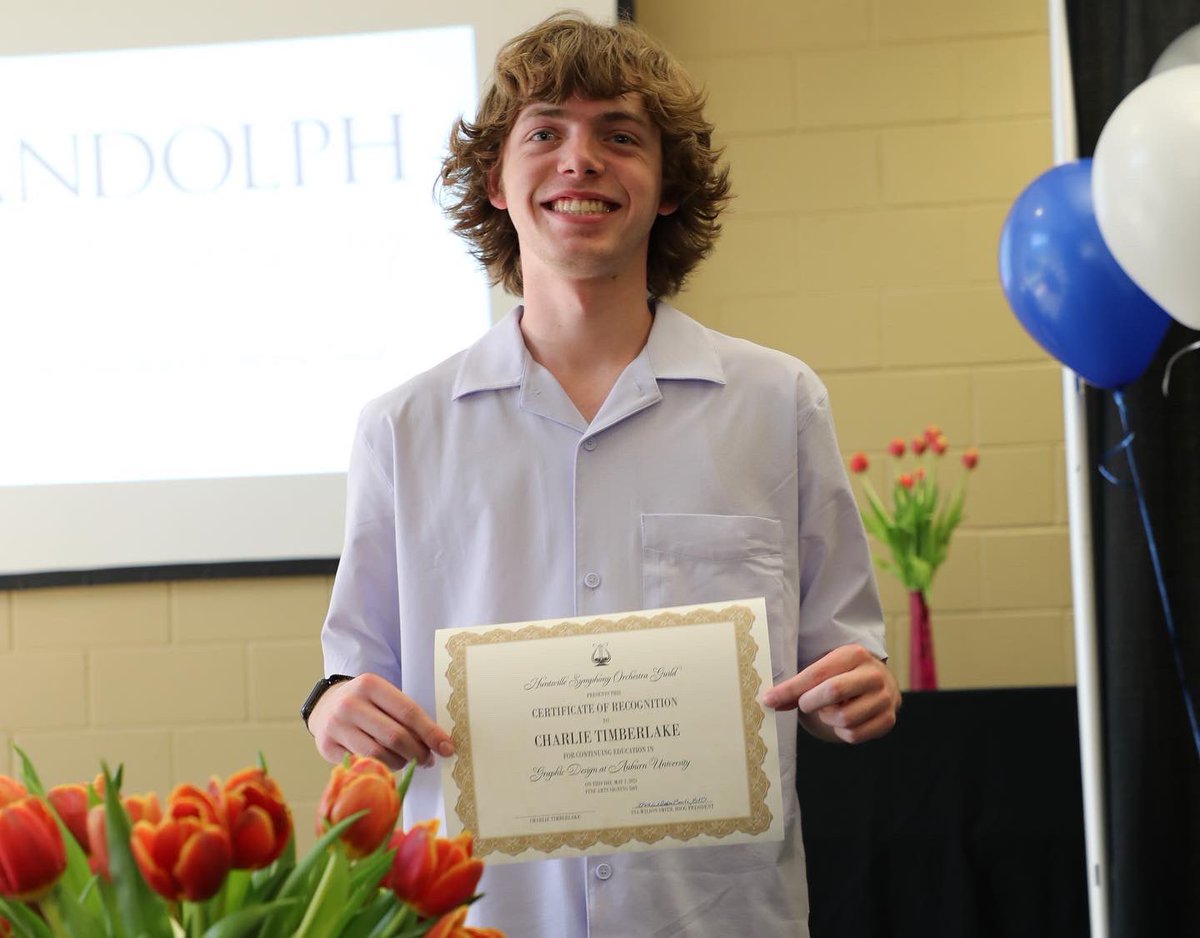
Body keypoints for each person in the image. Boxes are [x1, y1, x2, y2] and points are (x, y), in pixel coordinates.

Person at [305, 12, 900, 936]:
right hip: (487, 914)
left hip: (715, 915)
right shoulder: (402, 428)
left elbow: (840, 662)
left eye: (619, 136)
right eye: (544, 133)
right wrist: (337, 710)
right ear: (496, 185)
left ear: (667, 190)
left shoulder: (776, 402)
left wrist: (856, 696)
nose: (580, 161)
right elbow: (352, 681)